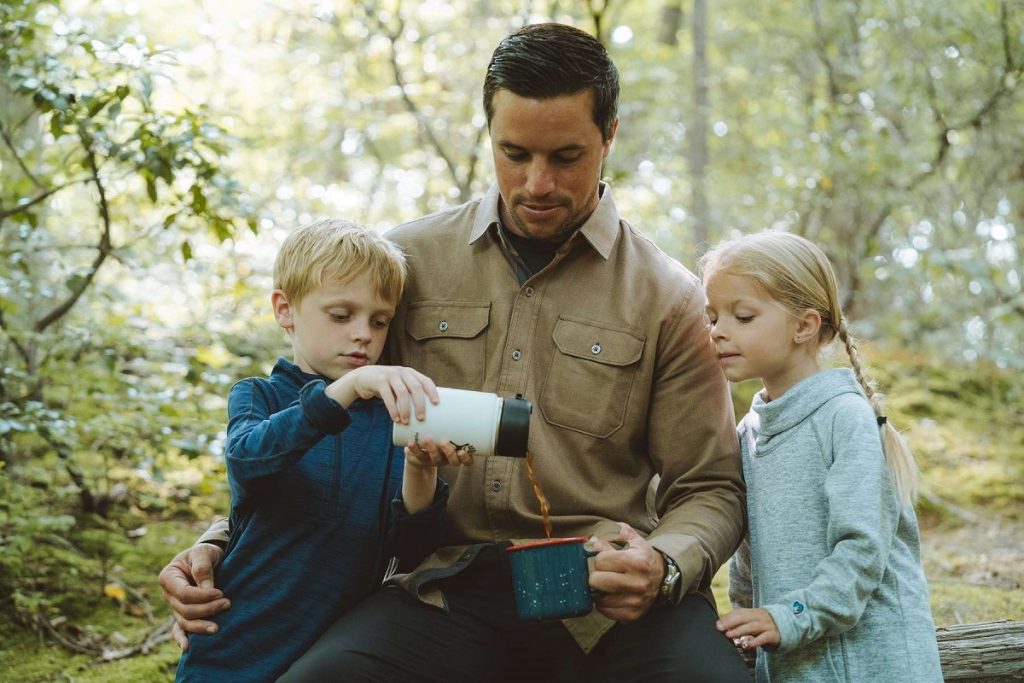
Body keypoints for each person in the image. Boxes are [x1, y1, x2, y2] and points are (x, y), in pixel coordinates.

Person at [162, 23, 750, 681]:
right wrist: (219, 543)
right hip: (442, 590)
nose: (537, 183)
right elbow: (323, 423)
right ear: (489, 133)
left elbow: (710, 485)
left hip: (604, 600)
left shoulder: (668, 296)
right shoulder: (404, 264)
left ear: (609, 135)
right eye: (514, 152)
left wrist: (662, 564)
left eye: (566, 156)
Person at [174, 219, 470, 682]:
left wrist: (419, 469)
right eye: (341, 315)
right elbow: (250, 459)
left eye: (379, 321)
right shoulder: (259, 396)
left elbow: (409, 547)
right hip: (236, 643)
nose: (363, 335)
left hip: (336, 652)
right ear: (285, 309)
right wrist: (349, 388)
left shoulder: (391, 420)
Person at [701, 231, 943, 682]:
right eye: (712, 316)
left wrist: (788, 616)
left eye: (743, 315)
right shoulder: (748, 434)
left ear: (804, 325)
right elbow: (747, 563)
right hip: (798, 665)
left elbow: (862, 551)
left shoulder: (845, 418)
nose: (718, 331)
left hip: (877, 665)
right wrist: (753, 628)